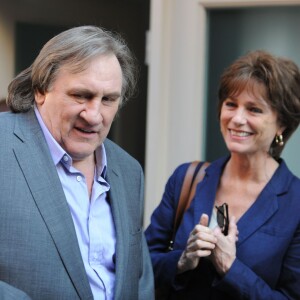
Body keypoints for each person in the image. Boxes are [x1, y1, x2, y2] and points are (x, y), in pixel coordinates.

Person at [0, 25, 154, 300]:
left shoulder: (128, 171)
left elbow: (140, 281)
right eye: (81, 95)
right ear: (41, 90)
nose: (94, 115)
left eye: (108, 99)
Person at [145, 50, 300, 299]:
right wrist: (183, 260)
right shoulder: (187, 178)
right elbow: (141, 266)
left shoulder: (295, 202)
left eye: (254, 110)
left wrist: (230, 267)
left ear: (282, 124)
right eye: (231, 104)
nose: (237, 119)